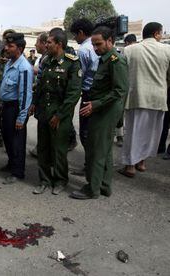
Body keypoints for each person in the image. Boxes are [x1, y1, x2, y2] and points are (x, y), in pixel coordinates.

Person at [70, 26, 128, 199]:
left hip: (106, 111)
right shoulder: (105, 59)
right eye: (94, 44)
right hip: (102, 109)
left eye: (99, 44)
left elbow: (120, 90)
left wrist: (95, 104)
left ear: (110, 41)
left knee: (96, 150)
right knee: (105, 150)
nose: (95, 48)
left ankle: (92, 188)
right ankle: (104, 186)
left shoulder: (116, 61)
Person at [32, 28, 81, 195]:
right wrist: (34, 104)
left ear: (59, 44)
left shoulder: (72, 63)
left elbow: (73, 94)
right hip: (44, 113)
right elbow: (40, 86)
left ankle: (60, 180)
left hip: (60, 115)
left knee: (59, 151)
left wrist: (59, 115)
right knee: (43, 149)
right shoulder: (48, 61)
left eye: (49, 42)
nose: (46, 44)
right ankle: (44, 180)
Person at [118, 22, 170, 177]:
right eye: (161, 33)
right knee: (150, 133)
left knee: (133, 133)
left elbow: (122, 74)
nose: (161, 36)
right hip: (158, 98)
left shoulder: (129, 50)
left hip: (136, 97)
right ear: (156, 33)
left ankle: (130, 166)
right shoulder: (167, 50)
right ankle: (141, 163)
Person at [0, 33, 33, 184]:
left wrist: (21, 117)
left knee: (17, 141)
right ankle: (11, 164)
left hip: (15, 109)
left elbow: (25, 94)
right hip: (6, 108)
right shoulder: (9, 63)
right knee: (7, 138)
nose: (6, 48)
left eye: (10, 46)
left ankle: (18, 172)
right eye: (6, 45)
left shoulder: (24, 67)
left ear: (19, 48)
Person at [69, 18, 99, 175]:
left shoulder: (83, 50)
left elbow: (79, 77)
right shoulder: (96, 46)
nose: (75, 39)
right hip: (98, 94)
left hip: (88, 93)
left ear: (81, 33)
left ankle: (90, 167)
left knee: (86, 133)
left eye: (75, 35)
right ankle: (95, 166)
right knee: (95, 132)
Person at [29, 32, 48, 158]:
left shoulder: (47, 59)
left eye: (37, 42)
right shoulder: (43, 58)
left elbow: (42, 79)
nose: (35, 45)